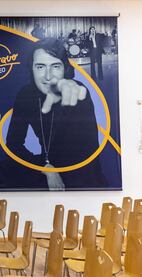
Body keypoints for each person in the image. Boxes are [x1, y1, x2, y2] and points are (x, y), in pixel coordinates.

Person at [6, 38, 106, 190]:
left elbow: (89, 148)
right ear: (31, 68)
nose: (48, 76)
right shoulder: (25, 95)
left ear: (64, 68)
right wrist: (46, 168)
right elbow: (13, 144)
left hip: (81, 177)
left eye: (55, 66)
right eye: (40, 67)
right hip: (46, 171)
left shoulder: (77, 92)